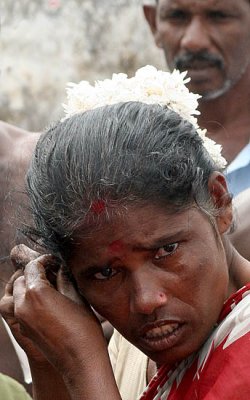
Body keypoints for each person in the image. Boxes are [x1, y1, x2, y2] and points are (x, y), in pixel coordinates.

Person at [0, 66, 250, 399]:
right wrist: (47, 357)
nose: (146, 301)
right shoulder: (136, 353)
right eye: (105, 273)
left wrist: (82, 361)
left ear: (219, 202)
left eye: (166, 250)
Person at [143, 0, 250, 196]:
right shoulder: (129, 146)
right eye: (177, 16)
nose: (194, 41)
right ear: (153, 23)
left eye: (219, 16)